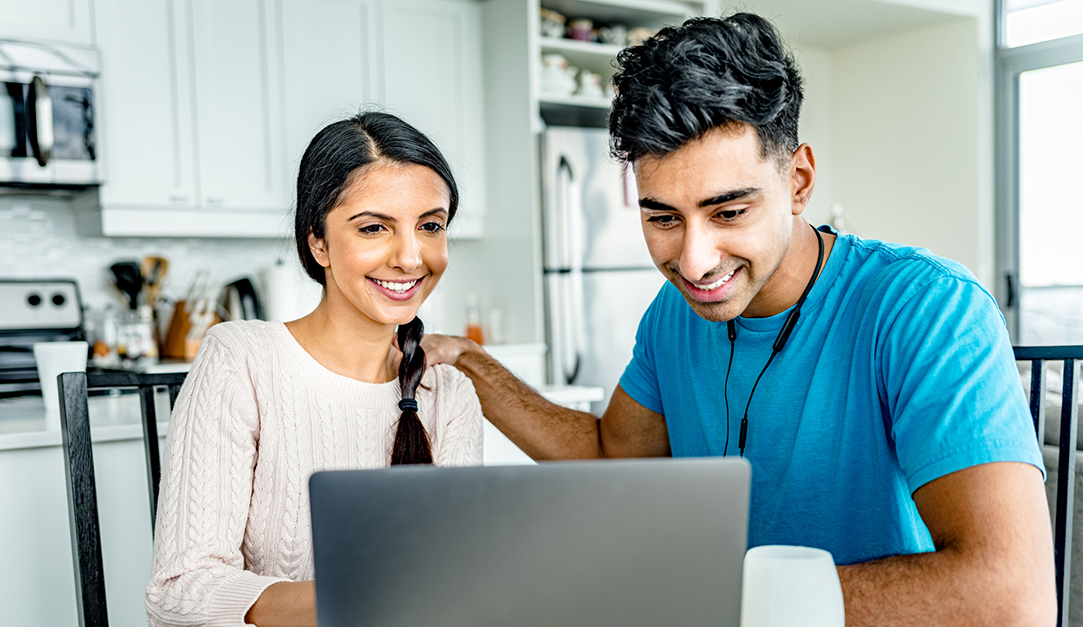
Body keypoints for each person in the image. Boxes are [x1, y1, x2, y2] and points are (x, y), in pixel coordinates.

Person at [423, 13, 1056, 627]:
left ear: (799, 180)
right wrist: (468, 363)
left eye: (727, 212)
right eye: (663, 218)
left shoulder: (927, 308)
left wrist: (724, 597)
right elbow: (612, 453)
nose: (694, 262)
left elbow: (1010, 598)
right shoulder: (672, 317)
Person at [145, 112, 484, 627]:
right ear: (317, 242)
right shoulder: (242, 359)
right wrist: (362, 599)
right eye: (374, 228)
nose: (411, 257)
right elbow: (180, 592)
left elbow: (457, 586)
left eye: (431, 226)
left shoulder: (449, 393)